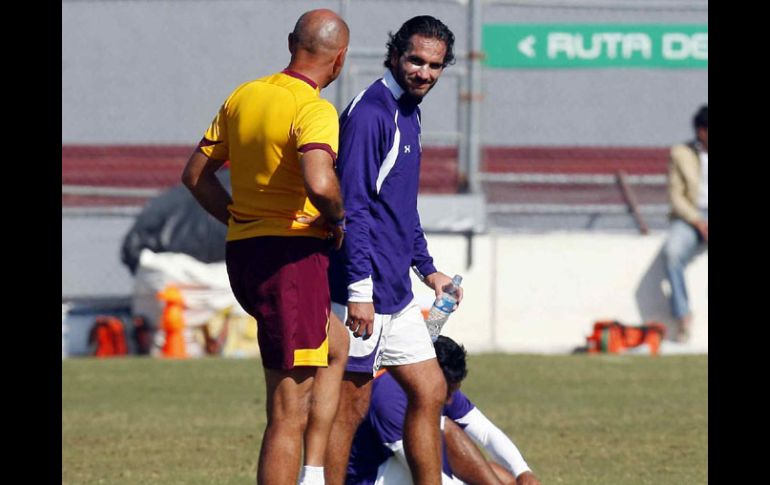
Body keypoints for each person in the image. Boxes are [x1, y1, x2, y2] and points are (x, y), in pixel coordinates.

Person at [181, 9, 350, 485]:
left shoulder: (245, 95)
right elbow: (320, 182)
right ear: (339, 61)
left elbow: (195, 175)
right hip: (290, 260)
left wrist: (239, 216)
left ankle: (314, 473)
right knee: (287, 411)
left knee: (338, 345)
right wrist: (337, 220)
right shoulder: (314, 108)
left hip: (248, 253)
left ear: (290, 42)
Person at [324, 16, 463, 485]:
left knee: (430, 389)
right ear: (394, 55)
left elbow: (401, 205)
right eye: (415, 60)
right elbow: (354, 209)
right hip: (363, 293)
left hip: (396, 293)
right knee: (351, 405)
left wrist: (428, 270)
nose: (424, 72)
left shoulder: (409, 110)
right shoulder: (371, 114)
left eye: (434, 65)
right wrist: (358, 290)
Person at [346, 336, 541, 485]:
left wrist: (522, 471)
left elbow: (484, 432)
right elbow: (425, 474)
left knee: (502, 475)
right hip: (372, 477)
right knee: (446, 428)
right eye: (448, 391)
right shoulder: (389, 399)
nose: (449, 400)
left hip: (403, 465)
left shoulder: (437, 382)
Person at [663, 105, 708, 343]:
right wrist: (698, 221)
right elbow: (675, 196)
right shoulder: (681, 154)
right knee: (672, 253)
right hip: (692, 216)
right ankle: (683, 318)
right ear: (702, 131)